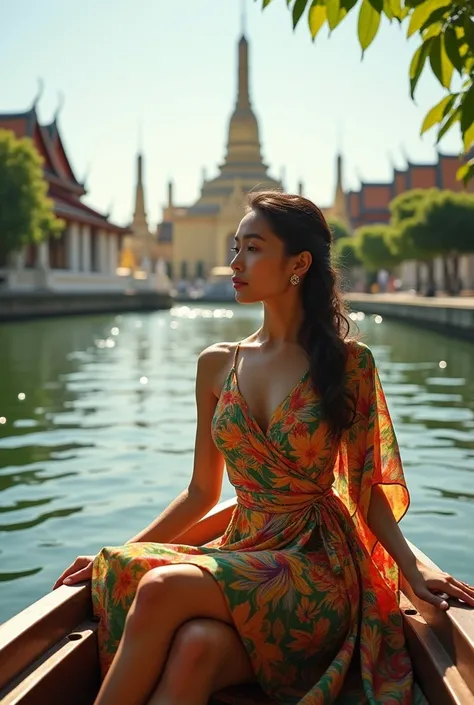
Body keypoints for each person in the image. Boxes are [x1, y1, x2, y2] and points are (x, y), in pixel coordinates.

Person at [54, 192, 474, 705]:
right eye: (235, 248)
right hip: (245, 551)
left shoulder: (349, 364)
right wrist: (112, 553)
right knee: (195, 648)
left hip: (317, 568)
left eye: (252, 249)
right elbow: (199, 493)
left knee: (162, 589)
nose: (234, 263)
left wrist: (418, 571)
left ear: (298, 264)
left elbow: (369, 492)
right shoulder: (216, 364)